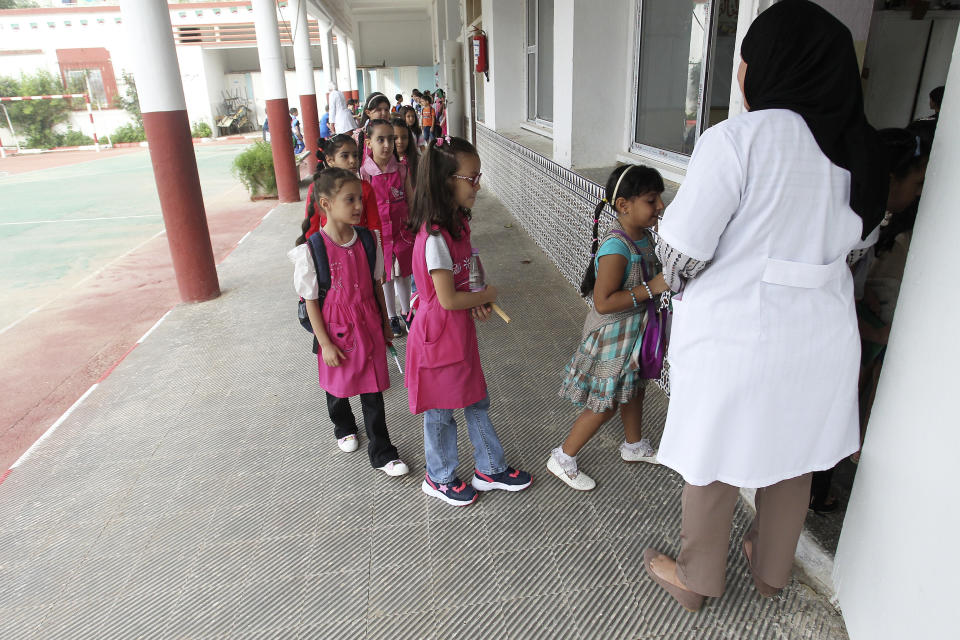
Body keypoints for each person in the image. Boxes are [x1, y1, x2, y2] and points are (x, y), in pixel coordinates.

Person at [641, 0, 889, 611]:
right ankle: (771, 568)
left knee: (716, 455)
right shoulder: (860, 152)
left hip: (738, 336)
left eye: (745, 61)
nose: (741, 74)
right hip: (822, 337)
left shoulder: (739, 140)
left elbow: (680, 255)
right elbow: (858, 246)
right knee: (796, 453)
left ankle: (697, 579)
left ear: (774, 65)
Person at [406, 136, 532, 506]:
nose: (477, 185)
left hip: (457, 332)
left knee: (476, 399)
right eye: (471, 178)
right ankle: (439, 476)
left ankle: (489, 468)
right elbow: (447, 298)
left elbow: (462, 283)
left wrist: (475, 299)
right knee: (441, 411)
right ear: (447, 181)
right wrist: (485, 296)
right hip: (437, 336)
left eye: (478, 177)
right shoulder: (433, 238)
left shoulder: (458, 225)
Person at [548, 165, 669, 490]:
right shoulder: (617, 247)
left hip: (633, 335)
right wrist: (651, 288)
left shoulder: (643, 236)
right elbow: (603, 302)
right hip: (612, 337)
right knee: (606, 401)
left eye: (660, 198)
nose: (660, 206)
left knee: (634, 390)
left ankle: (633, 445)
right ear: (624, 205)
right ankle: (563, 456)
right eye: (651, 199)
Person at [288, 168, 408, 477]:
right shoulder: (312, 250)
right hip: (335, 329)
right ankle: (343, 426)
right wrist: (325, 342)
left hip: (367, 324)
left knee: (372, 391)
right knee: (338, 387)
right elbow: (311, 300)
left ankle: (382, 452)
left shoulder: (369, 240)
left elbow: (376, 285)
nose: (358, 206)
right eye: (350, 199)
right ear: (326, 203)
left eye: (360, 199)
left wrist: (385, 322)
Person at [360, 119, 415, 337]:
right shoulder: (365, 174)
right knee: (384, 277)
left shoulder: (401, 170)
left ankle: (407, 312)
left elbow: (410, 200)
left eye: (390, 139)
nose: (386, 145)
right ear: (369, 142)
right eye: (380, 139)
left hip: (402, 234)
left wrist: (416, 224)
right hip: (378, 237)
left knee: (402, 274)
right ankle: (391, 315)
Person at [302, 134, 381, 244]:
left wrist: (377, 252)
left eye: (355, 155)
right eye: (345, 156)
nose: (352, 160)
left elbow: (375, 225)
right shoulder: (319, 187)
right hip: (330, 247)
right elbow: (312, 226)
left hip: (360, 247)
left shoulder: (365, 187)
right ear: (330, 160)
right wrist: (312, 251)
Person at [392, 116, 419, 187]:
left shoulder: (418, 160)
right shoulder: (385, 162)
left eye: (404, 137)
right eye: (395, 138)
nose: (400, 141)